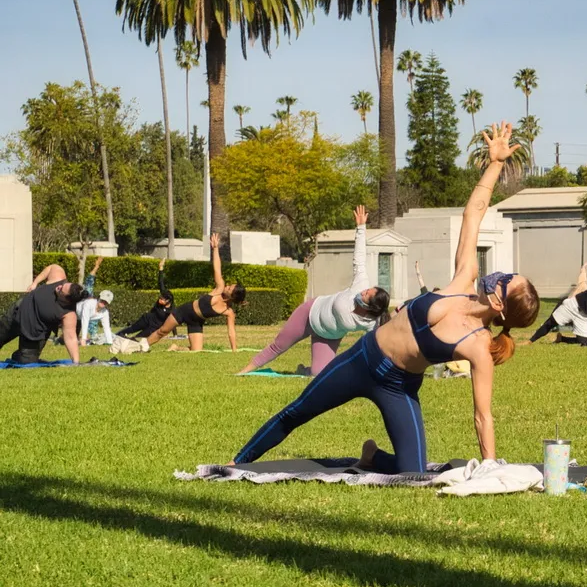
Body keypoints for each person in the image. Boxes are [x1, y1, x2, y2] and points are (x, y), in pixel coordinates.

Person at [234, 124, 540, 473]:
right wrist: (496, 164)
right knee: (299, 410)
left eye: (505, 282)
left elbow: (483, 414)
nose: (498, 276)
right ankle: (236, 462)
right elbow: (474, 212)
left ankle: (373, 459)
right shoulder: (464, 277)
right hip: (364, 357)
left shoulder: (479, 347)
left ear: (500, 305)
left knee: (415, 473)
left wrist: (489, 467)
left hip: (399, 385)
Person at [240, 206, 390, 376]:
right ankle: (244, 371)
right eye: (367, 290)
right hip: (309, 314)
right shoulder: (360, 284)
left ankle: (303, 370)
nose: (363, 291)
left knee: (319, 374)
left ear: (369, 307)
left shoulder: (370, 322)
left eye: (367, 295)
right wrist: (361, 228)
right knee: (279, 346)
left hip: (328, 336)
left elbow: (380, 344)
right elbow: (359, 259)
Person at [138, 234, 245, 352]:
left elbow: (231, 331)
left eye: (230, 288)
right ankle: (141, 346)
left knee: (196, 350)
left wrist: (234, 349)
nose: (227, 286)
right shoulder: (219, 288)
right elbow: (217, 268)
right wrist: (215, 249)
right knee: (163, 331)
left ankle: (176, 347)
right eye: (229, 285)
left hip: (196, 321)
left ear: (233, 297)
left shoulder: (229, 312)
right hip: (185, 311)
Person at [0, 263, 89, 364]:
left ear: (67, 300)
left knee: (26, 363)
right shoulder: (58, 278)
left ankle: (19, 356)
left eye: (61, 290)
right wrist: (35, 283)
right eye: (62, 285)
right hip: (16, 315)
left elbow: (70, 338)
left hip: (34, 334)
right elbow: (52, 267)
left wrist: (76, 362)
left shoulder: (68, 314)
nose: (59, 287)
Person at [114, 259, 173, 347]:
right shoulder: (163, 295)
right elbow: (161, 283)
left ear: (168, 301)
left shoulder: (171, 310)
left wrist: (175, 334)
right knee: (131, 329)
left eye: (162, 299)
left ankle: (127, 344)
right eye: (160, 298)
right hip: (146, 319)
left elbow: (173, 321)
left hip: (154, 327)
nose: (160, 300)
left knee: (138, 338)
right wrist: (161, 268)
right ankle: (114, 337)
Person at [75, 256, 115, 346]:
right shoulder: (88, 300)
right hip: (75, 313)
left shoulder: (104, 312)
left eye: (106, 302)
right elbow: (90, 279)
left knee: (94, 338)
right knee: (71, 336)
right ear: (99, 297)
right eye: (103, 300)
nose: (103, 302)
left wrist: (109, 343)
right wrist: (96, 267)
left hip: (88, 318)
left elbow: (106, 328)